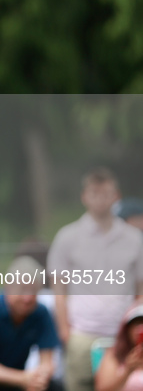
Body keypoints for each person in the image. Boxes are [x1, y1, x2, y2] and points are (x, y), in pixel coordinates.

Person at [47, 167, 143, 391]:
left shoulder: (134, 239)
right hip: (81, 334)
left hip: (122, 336)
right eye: (94, 193)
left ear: (116, 196)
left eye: (106, 193)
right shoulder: (67, 237)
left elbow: (141, 288)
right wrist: (65, 331)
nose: (100, 199)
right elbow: (58, 288)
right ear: (84, 196)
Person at [0, 256, 62, 391]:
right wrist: (22, 379)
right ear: (8, 287)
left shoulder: (41, 313)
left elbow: (47, 360)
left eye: (33, 291)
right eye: (22, 290)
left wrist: (40, 377)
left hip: (19, 378)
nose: (28, 298)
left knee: (53, 387)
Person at [95, 300, 143, 391]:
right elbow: (102, 389)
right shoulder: (114, 354)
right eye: (137, 324)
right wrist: (128, 370)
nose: (140, 329)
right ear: (127, 329)